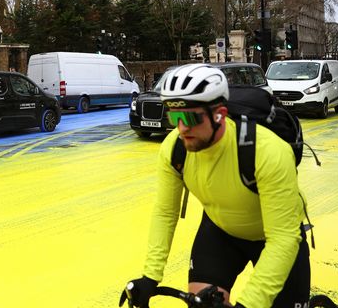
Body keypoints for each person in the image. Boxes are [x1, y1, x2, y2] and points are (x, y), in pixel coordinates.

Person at [120, 64, 309, 308]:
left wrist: (248, 304)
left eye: (190, 118)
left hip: (278, 237)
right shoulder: (174, 148)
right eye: (175, 117)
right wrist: (150, 276)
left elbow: (282, 239)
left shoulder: (267, 151)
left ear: (219, 114)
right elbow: (165, 212)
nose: (182, 128)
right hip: (221, 233)